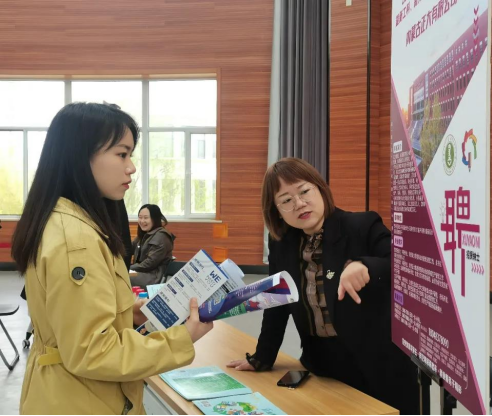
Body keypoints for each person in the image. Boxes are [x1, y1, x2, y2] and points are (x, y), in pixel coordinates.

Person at [11, 103, 213, 415]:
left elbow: (70, 316)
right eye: (122, 154)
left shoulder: (70, 221)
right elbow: (91, 351)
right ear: (81, 156)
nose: (131, 167)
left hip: (68, 392)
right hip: (80, 400)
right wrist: (181, 339)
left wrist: (127, 310)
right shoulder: (76, 239)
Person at [228, 158, 419, 414]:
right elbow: (277, 303)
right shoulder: (282, 243)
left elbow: (405, 261)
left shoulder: (362, 225)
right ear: (276, 210)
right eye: (286, 200)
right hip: (322, 365)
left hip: (378, 366)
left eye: (304, 191)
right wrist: (262, 357)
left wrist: (366, 266)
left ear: (320, 188)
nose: (299, 204)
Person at [130, 204, 175, 288]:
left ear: (155, 219)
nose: (142, 221)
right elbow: (128, 249)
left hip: (154, 277)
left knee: (122, 277)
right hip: (142, 273)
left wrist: (128, 267)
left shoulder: (161, 236)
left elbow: (149, 264)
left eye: (146, 218)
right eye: (140, 217)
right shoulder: (143, 235)